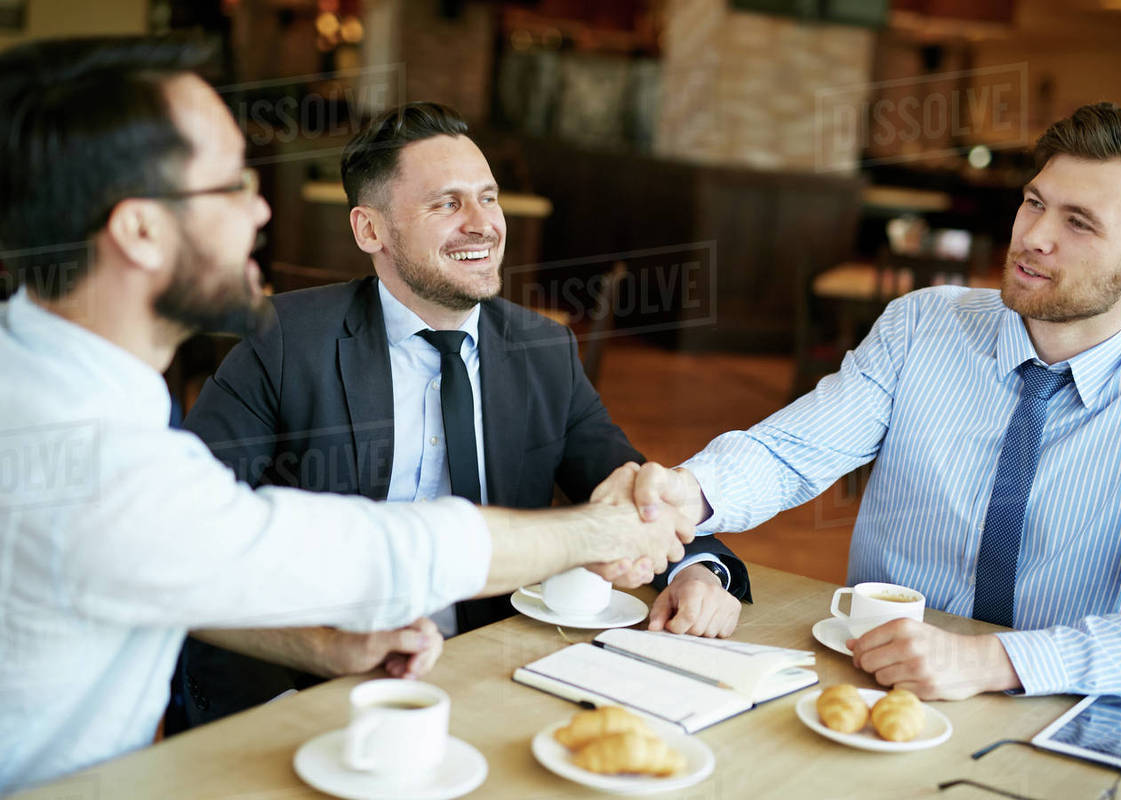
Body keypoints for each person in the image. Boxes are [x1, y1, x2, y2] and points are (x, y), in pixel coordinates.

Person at [0, 36, 689, 793]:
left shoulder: (61, 386)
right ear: (138, 229)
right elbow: (379, 553)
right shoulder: (87, 450)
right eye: (232, 186)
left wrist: (323, 648)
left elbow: (174, 566)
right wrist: (599, 530)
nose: (262, 208)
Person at [595, 103, 1121, 702]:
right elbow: (790, 452)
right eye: (1035, 203)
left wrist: (993, 661)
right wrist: (690, 493)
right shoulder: (923, 324)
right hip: (874, 682)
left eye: (1080, 223)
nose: (1034, 237)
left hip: (1057, 706)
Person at [173, 102, 750, 727]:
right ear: (371, 231)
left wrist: (697, 572)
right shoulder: (281, 341)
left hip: (488, 672)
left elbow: (627, 481)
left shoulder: (543, 350)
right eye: (446, 203)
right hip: (311, 678)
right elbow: (195, 544)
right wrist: (278, 712)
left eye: (489, 198)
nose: (482, 224)